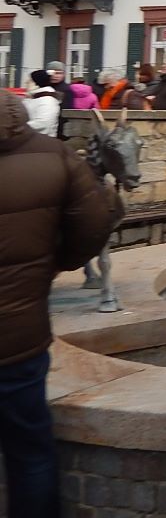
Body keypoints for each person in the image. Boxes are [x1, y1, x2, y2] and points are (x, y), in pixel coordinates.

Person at [0, 88, 122, 517]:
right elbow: (94, 227)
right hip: (19, 341)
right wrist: (51, 265)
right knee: (30, 452)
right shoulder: (56, 157)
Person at [23, 71, 61, 137]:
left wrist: (18, 128)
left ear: (37, 83)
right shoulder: (35, 98)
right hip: (30, 139)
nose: (26, 82)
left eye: (30, 80)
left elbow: (43, 123)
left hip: (41, 142)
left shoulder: (47, 100)